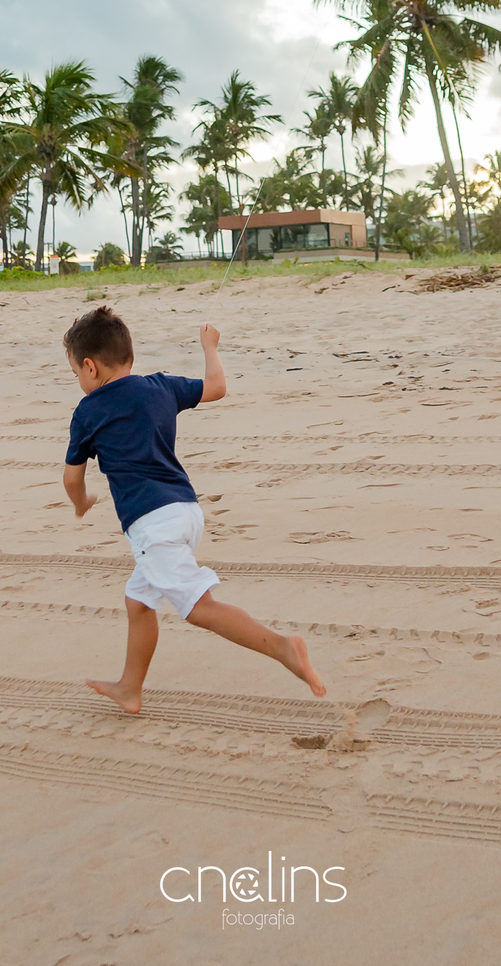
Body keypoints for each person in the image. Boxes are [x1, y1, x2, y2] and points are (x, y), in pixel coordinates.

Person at [62, 303, 326, 712]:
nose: (79, 380)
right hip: (186, 510)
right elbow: (216, 387)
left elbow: (72, 478)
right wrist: (209, 346)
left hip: (153, 526)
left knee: (200, 608)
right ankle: (130, 688)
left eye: (76, 372)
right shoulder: (161, 386)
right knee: (139, 601)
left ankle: (282, 647)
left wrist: (81, 504)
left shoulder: (87, 411)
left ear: (90, 367)